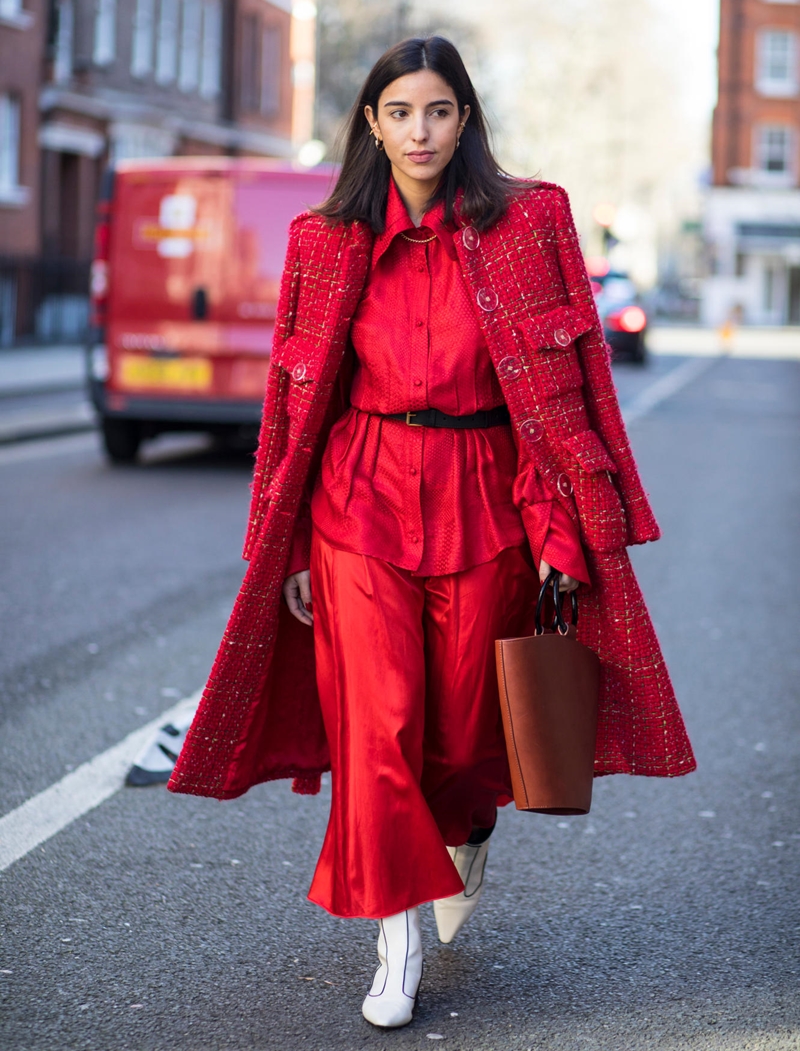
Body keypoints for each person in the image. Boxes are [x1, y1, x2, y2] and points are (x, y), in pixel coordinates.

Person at [169, 36, 695, 1030]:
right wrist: (283, 551)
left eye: (440, 111)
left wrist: (558, 528)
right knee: (377, 731)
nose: (420, 131)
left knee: (459, 728)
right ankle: (393, 940)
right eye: (400, 111)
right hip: (355, 502)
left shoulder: (527, 221)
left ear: (466, 120)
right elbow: (291, 408)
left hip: (484, 495)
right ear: (370, 121)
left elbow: (557, 390)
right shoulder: (322, 239)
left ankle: (464, 823)